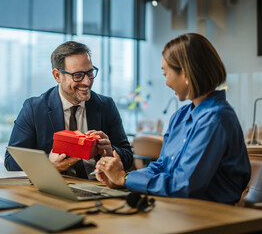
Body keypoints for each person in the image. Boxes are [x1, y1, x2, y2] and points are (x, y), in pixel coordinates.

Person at [95, 33, 251, 204]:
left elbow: (184, 184)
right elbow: (160, 167)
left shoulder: (216, 118)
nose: (166, 82)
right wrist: (122, 178)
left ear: (185, 73)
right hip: (177, 207)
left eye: (165, 73)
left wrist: (124, 178)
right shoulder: (180, 117)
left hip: (210, 215)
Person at [4, 41, 133, 179]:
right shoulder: (34, 108)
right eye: (78, 75)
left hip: (99, 186)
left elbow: (128, 157)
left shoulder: (106, 105)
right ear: (57, 76)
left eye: (90, 73)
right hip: (56, 187)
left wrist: (110, 152)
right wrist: (48, 164)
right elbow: (11, 161)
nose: (87, 82)